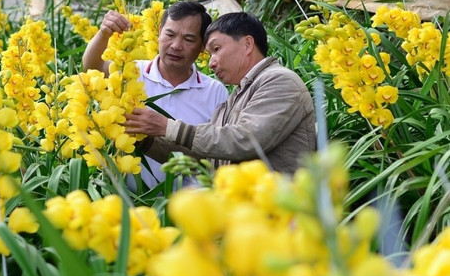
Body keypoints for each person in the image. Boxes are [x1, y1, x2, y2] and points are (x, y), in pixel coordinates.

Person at [125, 12, 317, 175]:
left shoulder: (280, 81)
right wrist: (144, 139)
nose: (211, 63)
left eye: (216, 49)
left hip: (278, 211)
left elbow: (245, 140)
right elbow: (208, 156)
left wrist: (166, 126)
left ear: (248, 44)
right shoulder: (235, 97)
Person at [82, 1, 229, 189]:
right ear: (159, 32)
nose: (176, 45)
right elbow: (91, 69)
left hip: (186, 208)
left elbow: (221, 151)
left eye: (189, 39)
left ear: (202, 47)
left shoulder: (215, 92)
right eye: (170, 34)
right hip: (127, 202)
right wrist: (104, 34)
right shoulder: (131, 72)